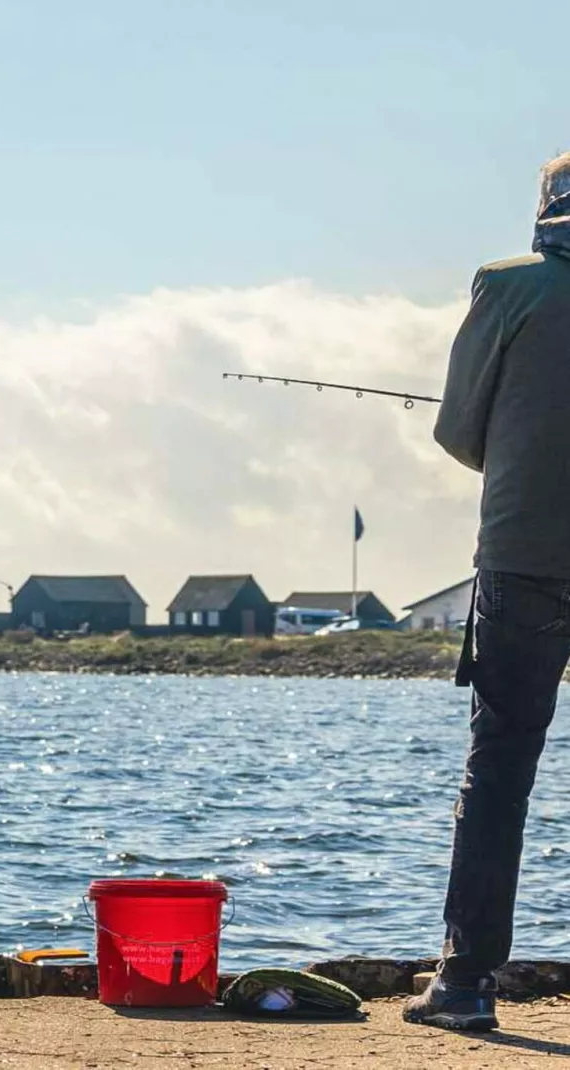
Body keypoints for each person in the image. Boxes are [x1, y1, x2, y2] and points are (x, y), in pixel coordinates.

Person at [406, 151, 570, 1032]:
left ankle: (465, 987)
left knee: (501, 771)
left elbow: (457, 428)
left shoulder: (507, 287)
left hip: (523, 563)